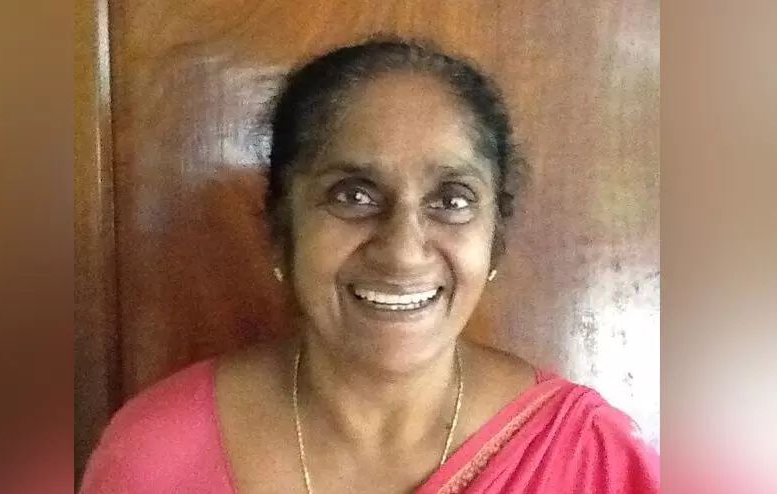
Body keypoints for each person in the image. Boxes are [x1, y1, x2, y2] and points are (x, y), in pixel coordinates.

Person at [79, 37, 660, 493]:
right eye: (353, 195)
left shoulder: (589, 460)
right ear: (282, 229)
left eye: (451, 200)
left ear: (495, 239)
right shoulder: (158, 454)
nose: (403, 250)